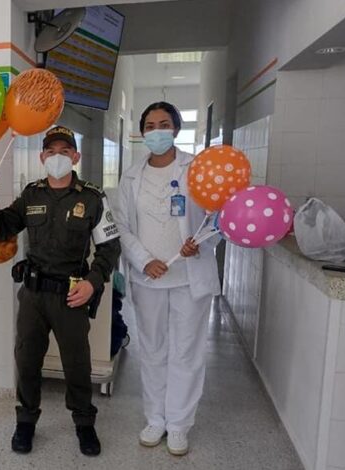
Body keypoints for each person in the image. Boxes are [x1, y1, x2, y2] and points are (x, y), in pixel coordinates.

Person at [0, 125, 121, 456]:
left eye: (64, 151)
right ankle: (25, 422)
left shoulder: (92, 197)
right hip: (33, 295)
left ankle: (85, 424)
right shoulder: (32, 194)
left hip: (72, 294)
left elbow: (110, 247)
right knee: (27, 360)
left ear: (76, 156)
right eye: (51, 151)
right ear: (42, 157)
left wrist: (92, 283)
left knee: (77, 365)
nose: (58, 157)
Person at [114, 102, 220, 456]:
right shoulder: (131, 176)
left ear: (176, 128)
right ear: (142, 131)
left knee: (186, 352)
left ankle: (178, 425)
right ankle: (155, 418)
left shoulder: (197, 169)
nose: (156, 131)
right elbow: (123, 227)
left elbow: (218, 218)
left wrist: (202, 242)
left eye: (163, 124)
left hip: (189, 276)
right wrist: (145, 261)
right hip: (150, 279)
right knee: (154, 350)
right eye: (149, 125)